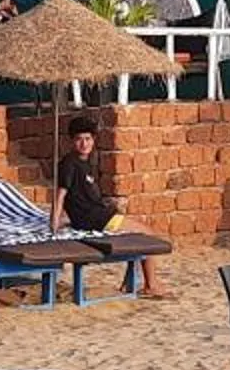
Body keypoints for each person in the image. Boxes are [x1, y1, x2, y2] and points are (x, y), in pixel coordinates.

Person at [55, 115, 169, 299]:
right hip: (96, 220)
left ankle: (130, 283)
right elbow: (61, 195)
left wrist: (65, 220)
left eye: (88, 139)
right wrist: (53, 223)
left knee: (139, 232)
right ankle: (151, 285)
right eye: (79, 139)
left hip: (99, 215)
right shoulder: (70, 164)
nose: (84, 144)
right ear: (71, 141)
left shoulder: (85, 163)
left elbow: (78, 197)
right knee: (149, 235)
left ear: (93, 140)